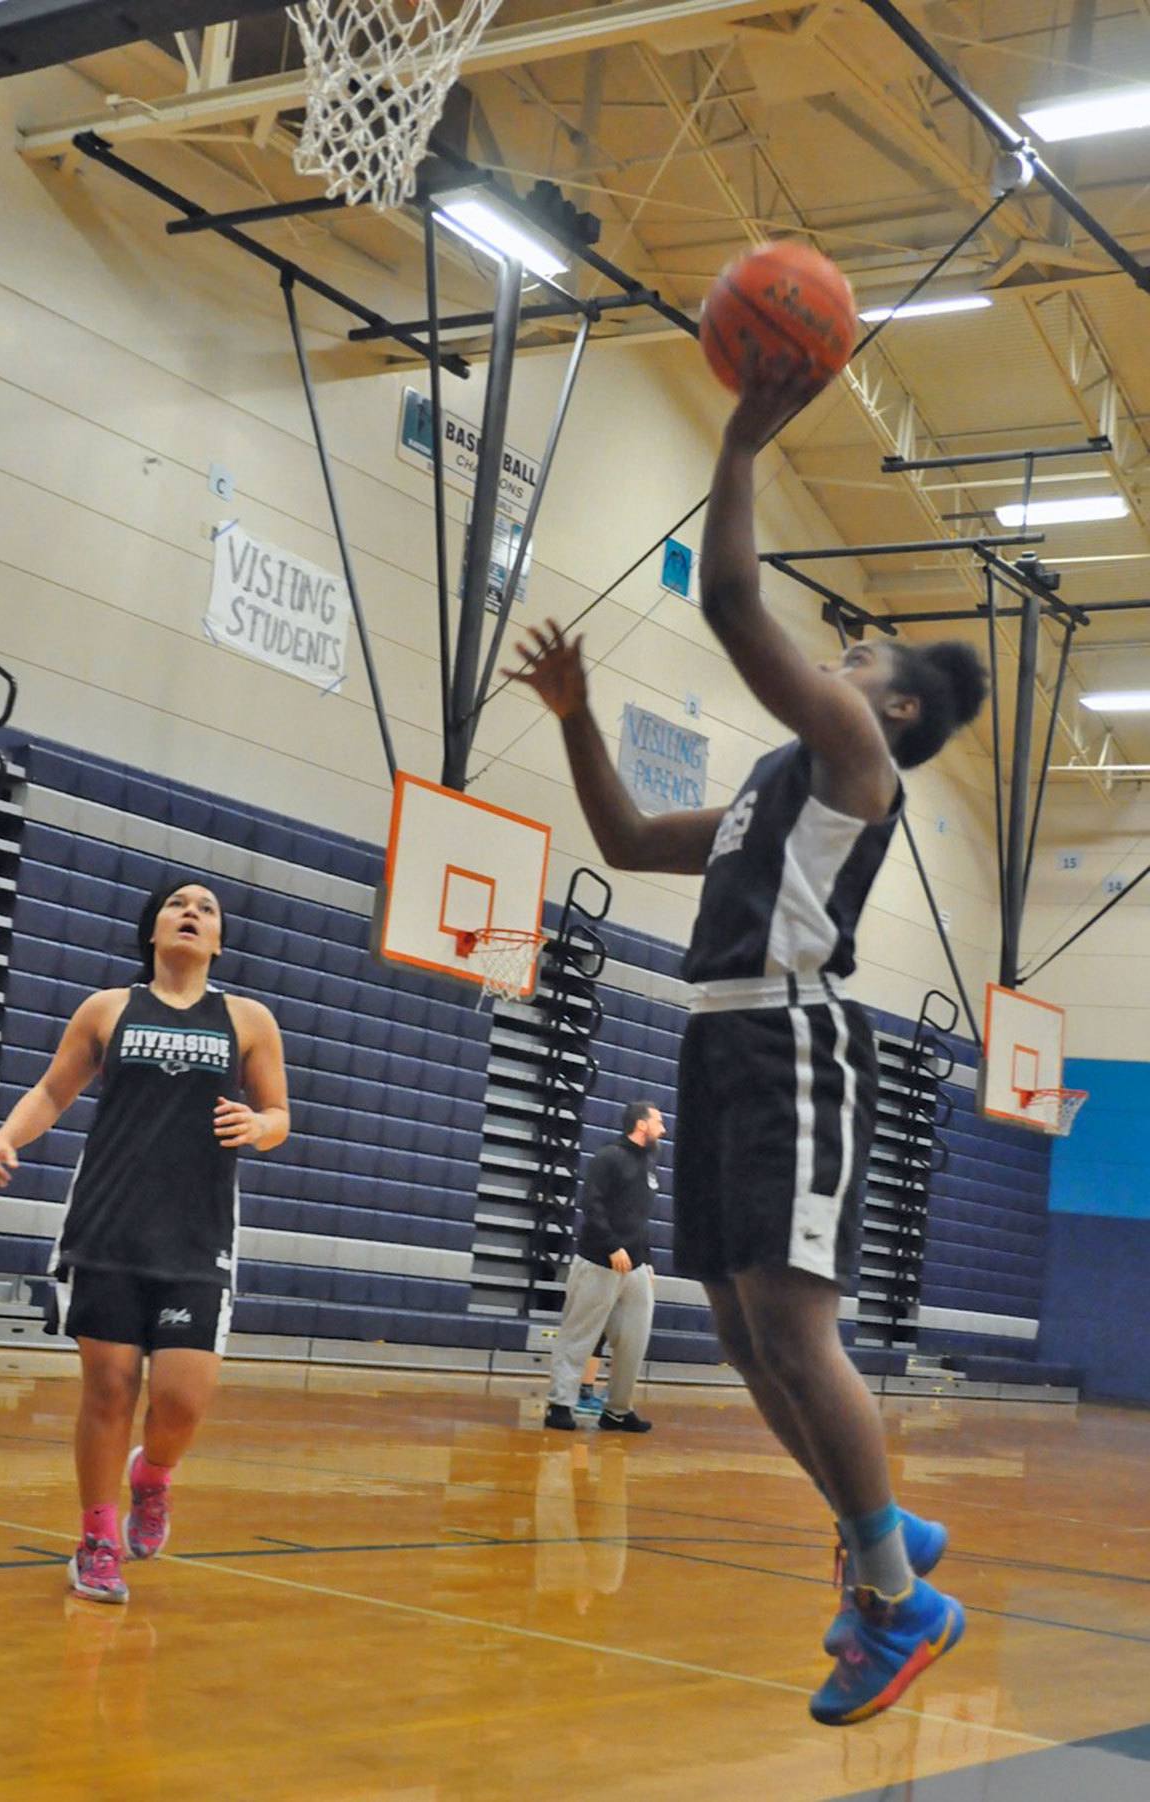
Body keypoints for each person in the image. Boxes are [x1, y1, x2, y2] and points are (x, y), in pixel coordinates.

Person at [507, 356, 986, 1725]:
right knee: (736, 1324)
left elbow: (728, 599)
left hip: (796, 1044)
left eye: (856, 657)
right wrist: (579, 718)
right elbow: (614, 838)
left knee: (790, 1317)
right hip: (716, 1047)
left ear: (889, 705)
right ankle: (879, 1533)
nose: (834, 660)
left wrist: (739, 443)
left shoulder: (855, 755)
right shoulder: (764, 794)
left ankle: (898, 1594)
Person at [0, 877, 291, 1604]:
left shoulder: (248, 1020)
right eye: (179, 904)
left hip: (197, 1234)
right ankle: (96, 1539)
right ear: (154, 929)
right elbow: (52, 1092)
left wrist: (260, 1129)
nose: (192, 913)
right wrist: (2, 1141)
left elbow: (278, 1113)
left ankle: (153, 1477)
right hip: (108, 1223)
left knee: (181, 1402)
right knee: (108, 1390)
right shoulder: (107, 1009)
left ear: (218, 941)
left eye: (207, 910)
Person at [543, 1100, 665, 1434]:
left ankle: (617, 1411)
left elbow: (638, 1219)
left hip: (636, 1267)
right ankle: (560, 1404)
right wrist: (612, 1246)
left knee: (633, 1341)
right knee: (579, 1334)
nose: (663, 1128)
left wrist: (648, 1261)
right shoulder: (608, 1157)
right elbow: (592, 1206)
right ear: (641, 1124)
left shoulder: (650, 1162)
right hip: (599, 1261)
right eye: (659, 1121)